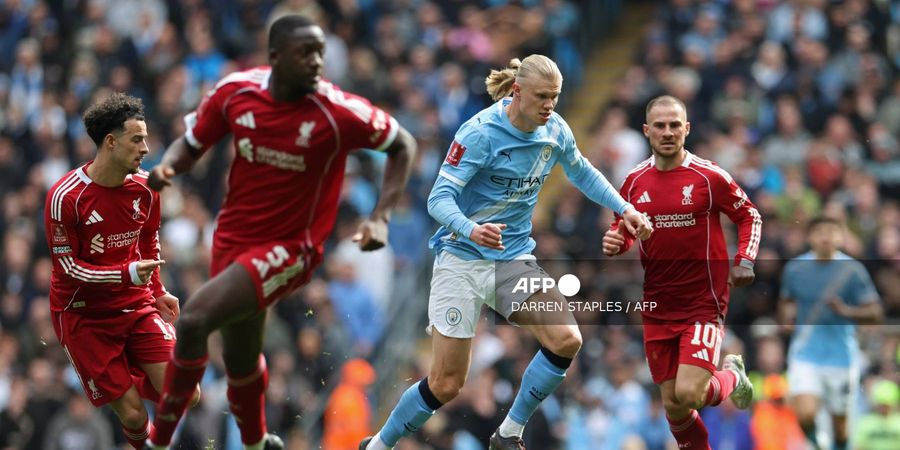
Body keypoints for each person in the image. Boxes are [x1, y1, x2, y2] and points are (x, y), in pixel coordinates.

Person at [144, 14, 417, 450]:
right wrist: (169, 166)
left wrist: (381, 215)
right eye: (305, 53)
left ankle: (157, 441)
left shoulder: (337, 111)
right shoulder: (236, 92)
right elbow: (192, 143)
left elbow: (403, 144)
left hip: (292, 248)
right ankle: (255, 442)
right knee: (239, 354)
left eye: (321, 53)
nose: (317, 62)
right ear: (275, 57)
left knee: (194, 319)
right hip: (231, 238)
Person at [360, 55, 653, 450]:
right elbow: (438, 199)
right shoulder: (479, 132)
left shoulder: (555, 130)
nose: (549, 105)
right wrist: (471, 228)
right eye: (542, 96)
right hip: (462, 259)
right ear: (517, 92)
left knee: (567, 339)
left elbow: (581, 170)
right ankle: (378, 445)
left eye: (555, 97)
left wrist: (625, 208)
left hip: (511, 259)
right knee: (446, 384)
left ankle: (510, 431)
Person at [602, 95, 762, 450]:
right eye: (660, 125)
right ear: (646, 131)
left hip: (703, 300)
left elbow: (749, 215)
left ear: (687, 129)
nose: (668, 132)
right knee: (673, 406)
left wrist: (745, 260)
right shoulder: (632, 182)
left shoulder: (708, 177)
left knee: (689, 392)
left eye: (675, 125)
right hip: (658, 303)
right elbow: (624, 227)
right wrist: (617, 241)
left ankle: (732, 376)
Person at [43, 93, 198, 449]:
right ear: (110, 142)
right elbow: (67, 269)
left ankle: (127, 370)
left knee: (186, 394)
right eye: (137, 139)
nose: (146, 148)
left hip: (135, 304)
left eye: (146, 139)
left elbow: (149, 239)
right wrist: (126, 274)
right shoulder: (65, 198)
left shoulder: (147, 188)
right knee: (133, 416)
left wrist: (157, 291)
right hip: (83, 315)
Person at [779, 216, 883, 450]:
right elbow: (785, 300)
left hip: (841, 357)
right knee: (804, 414)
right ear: (809, 237)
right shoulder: (795, 268)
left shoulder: (853, 270)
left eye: (831, 231)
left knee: (841, 428)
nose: (826, 236)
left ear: (840, 237)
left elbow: (876, 312)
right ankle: (818, 445)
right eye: (820, 231)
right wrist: (787, 318)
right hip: (805, 353)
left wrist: (846, 311)